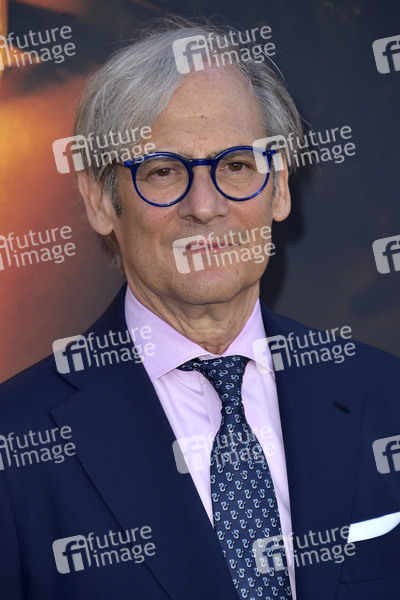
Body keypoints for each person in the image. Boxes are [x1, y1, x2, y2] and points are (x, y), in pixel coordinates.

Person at [0, 19, 399, 600]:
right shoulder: (16, 442)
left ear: (279, 187)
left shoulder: (386, 397)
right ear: (100, 200)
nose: (205, 206)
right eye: (163, 171)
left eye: (236, 165)